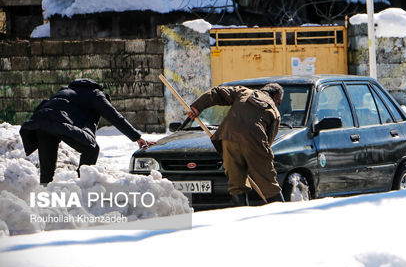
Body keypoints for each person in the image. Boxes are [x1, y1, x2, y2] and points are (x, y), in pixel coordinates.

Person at [20, 79, 155, 184]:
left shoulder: (65, 91)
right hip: (58, 121)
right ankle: (83, 184)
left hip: (40, 123)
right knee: (91, 149)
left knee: (46, 172)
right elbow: (115, 117)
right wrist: (137, 137)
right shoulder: (96, 95)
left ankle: (45, 193)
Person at [187, 83, 284, 206]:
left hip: (228, 138)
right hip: (255, 142)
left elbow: (217, 92)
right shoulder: (274, 112)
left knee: (236, 185)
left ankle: (242, 216)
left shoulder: (243, 92)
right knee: (268, 184)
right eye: (279, 102)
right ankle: (282, 214)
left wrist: (197, 107)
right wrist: (255, 163)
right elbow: (268, 143)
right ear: (275, 97)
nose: (277, 105)